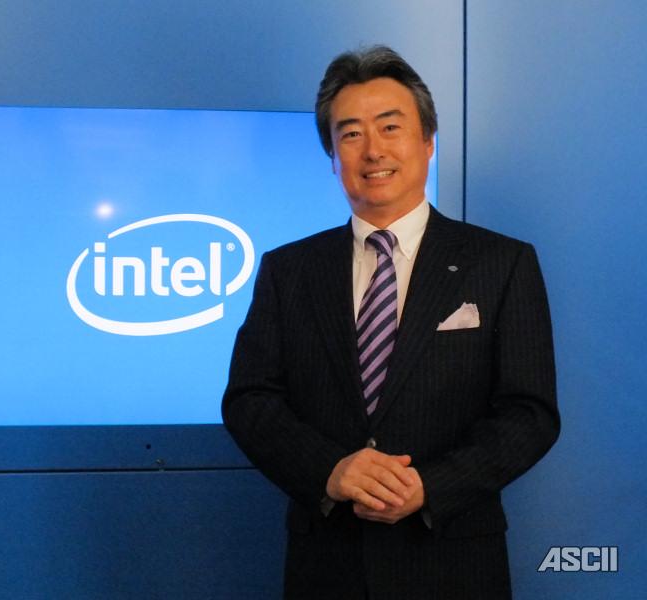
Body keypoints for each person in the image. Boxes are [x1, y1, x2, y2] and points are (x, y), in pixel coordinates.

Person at [221, 45, 559, 599]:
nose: (372, 149)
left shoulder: (501, 263)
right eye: (351, 134)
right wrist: (329, 470)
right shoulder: (289, 270)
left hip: (453, 560)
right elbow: (249, 399)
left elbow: (530, 413)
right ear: (332, 157)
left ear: (428, 141)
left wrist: (431, 486)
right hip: (327, 565)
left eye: (390, 126)